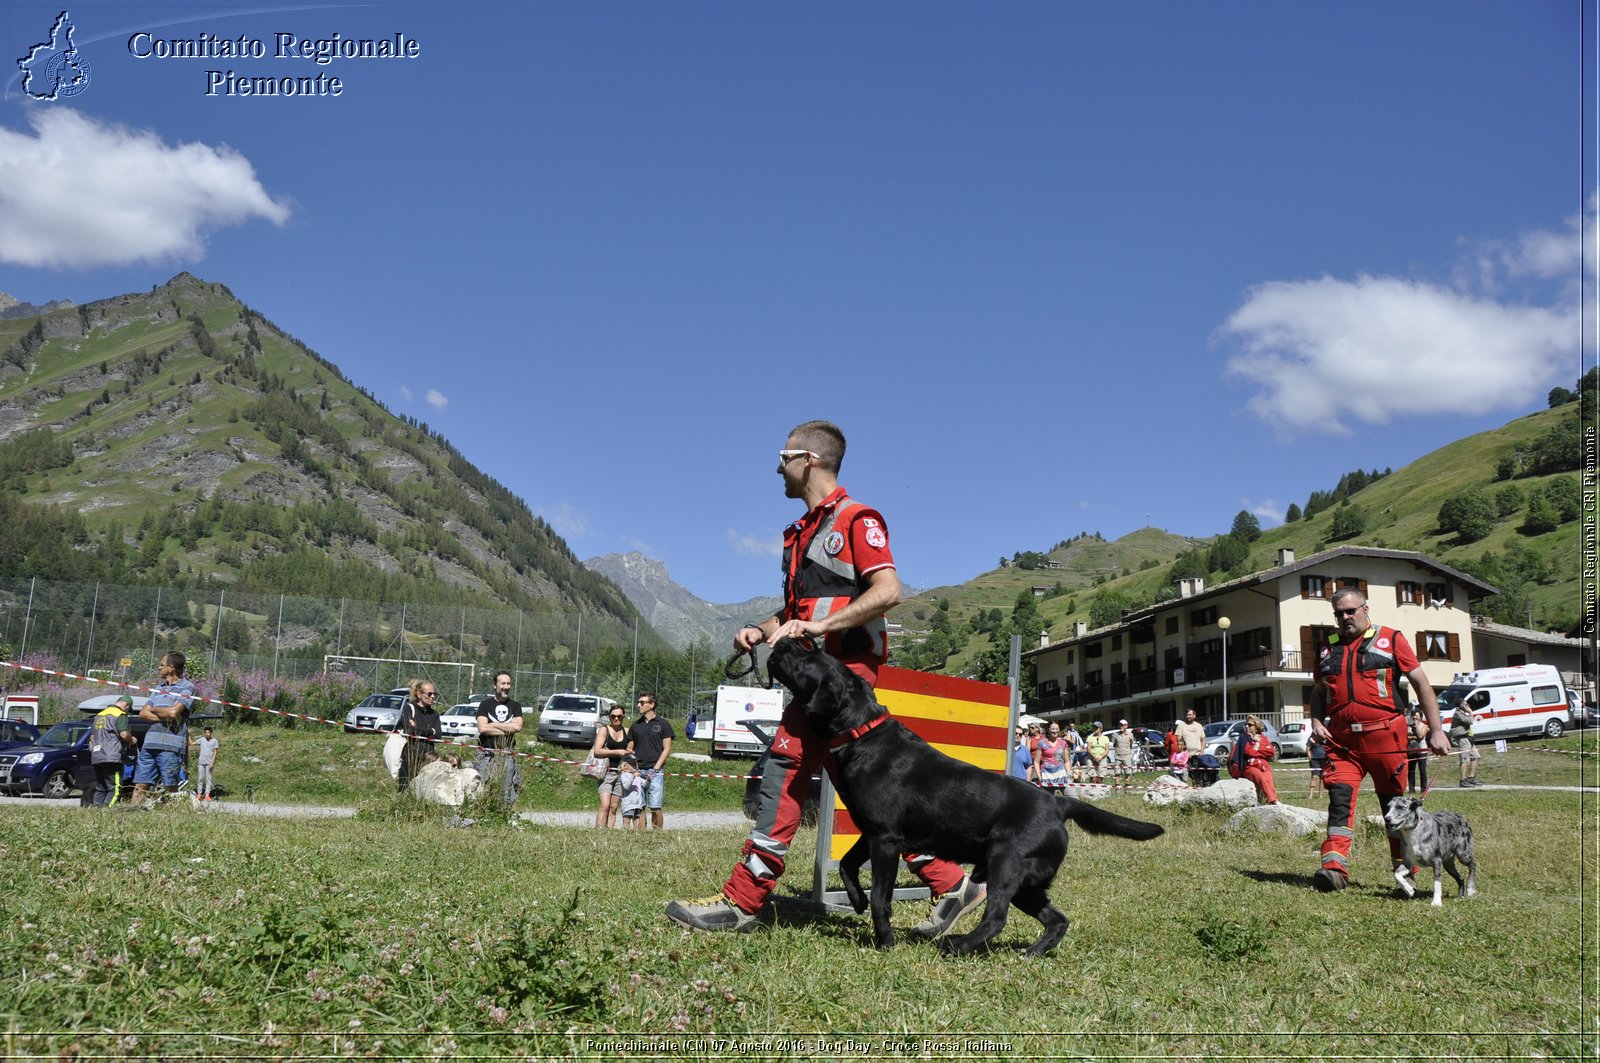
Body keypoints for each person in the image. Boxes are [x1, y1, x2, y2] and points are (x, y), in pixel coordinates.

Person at [666, 420, 981, 936]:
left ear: (807, 459)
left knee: (785, 767)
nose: (776, 468)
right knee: (864, 792)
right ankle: (952, 884)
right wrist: (760, 629)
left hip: (840, 682)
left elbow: (887, 591)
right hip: (816, 678)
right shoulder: (801, 532)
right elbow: (798, 610)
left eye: (782, 457)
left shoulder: (859, 519)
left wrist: (819, 626)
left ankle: (742, 902)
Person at [1308, 589, 1449, 892]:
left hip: (1386, 737)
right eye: (1339, 614)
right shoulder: (1325, 649)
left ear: (1365, 609)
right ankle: (1333, 868)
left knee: (1394, 807)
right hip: (1343, 742)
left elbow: (1421, 683)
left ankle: (1405, 872)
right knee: (1340, 801)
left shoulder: (1391, 639)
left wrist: (1436, 730)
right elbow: (1319, 692)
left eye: (1350, 611)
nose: (1345, 617)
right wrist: (1316, 720)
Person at [127, 652, 194, 809]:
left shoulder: (187, 687)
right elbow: (143, 713)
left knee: (171, 786)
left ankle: (172, 818)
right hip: (149, 744)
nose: (159, 667)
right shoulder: (158, 688)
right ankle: (132, 814)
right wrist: (165, 715)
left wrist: (156, 710)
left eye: (162, 665)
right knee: (140, 784)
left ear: (171, 668)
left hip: (170, 746)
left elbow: (173, 712)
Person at [474, 670, 524, 811]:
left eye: (508, 684)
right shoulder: (485, 705)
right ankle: (481, 811)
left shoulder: (515, 706)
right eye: (503, 683)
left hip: (507, 752)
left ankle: (503, 813)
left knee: (506, 787)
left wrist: (494, 724)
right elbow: (482, 728)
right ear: (495, 685)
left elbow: (518, 727)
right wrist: (508, 729)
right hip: (486, 753)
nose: (506, 687)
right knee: (483, 783)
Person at [627, 692, 674, 830]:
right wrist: (630, 753)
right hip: (637, 770)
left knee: (655, 806)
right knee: (640, 806)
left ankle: (657, 833)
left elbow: (667, 749)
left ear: (652, 705)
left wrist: (656, 769)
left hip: (655, 771)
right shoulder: (635, 725)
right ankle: (642, 834)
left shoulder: (663, 724)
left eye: (642, 703)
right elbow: (630, 746)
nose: (638, 705)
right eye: (638, 702)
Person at [394, 678, 444, 793]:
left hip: (429, 758)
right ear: (419, 694)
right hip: (410, 756)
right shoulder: (409, 708)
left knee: (425, 790)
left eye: (434, 694)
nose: (432, 697)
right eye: (429, 694)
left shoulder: (434, 715)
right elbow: (409, 731)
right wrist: (431, 730)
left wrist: (418, 729)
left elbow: (438, 736)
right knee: (405, 789)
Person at [87, 695, 135, 807]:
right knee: (115, 787)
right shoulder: (120, 715)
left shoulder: (99, 715)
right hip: (112, 757)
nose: (128, 712)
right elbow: (123, 734)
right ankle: (108, 811)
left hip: (97, 756)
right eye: (128, 709)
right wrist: (132, 739)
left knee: (101, 786)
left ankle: (96, 809)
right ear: (126, 705)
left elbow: (92, 738)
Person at [592, 705, 633, 828]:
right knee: (605, 805)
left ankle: (609, 832)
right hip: (606, 773)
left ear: (623, 717)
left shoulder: (627, 731)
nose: (616, 718)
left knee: (614, 807)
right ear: (609, 717)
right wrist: (617, 752)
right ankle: (599, 830)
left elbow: (631, 751)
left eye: (619, 716)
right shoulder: (604, 730)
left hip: (621, 773)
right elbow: (597, 751)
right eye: (613, 716)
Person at [1239, 715, 1278, 804]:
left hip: (1263, 765)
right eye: (1246, 724)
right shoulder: (1244, 738)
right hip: (1249, 767)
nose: (1246, 726)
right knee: (1261, 778)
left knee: (1269, 780)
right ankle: (1273, 800)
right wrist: (1259, 746)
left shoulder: (1262, 737)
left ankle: (1271, 800)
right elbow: (1248, 752)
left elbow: (1271, 751)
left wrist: (1257, 747)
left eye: (1249, 725)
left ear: (1256, 727)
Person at [1449, 703, 1481, 787]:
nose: (1468, 705)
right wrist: (1470, 712)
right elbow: (1470, 721)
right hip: (1462, 739)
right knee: (1464, 760)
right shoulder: (1458, 713)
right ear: (1461, 705)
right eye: (1465, 704)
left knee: (1476, 757)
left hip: (1469, 738)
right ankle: (1463, 780)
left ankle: (1471, 778)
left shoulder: (1463, 713)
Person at [1034, 722, 1069, 789]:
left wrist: (1067, 773)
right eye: (1053, 729)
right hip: (1046, 774)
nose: (1055, 731)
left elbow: (1067, 761)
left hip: (1061, 774)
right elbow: (1036, 762)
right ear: (1048, 730)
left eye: (1057, 729)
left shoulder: (1063, 743)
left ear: (1059, 730)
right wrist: (1039, 776)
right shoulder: (1041, 743)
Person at [617, 756, 647, 827]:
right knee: (627, 820)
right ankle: (625, 833)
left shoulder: (637, 777)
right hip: (628, 804)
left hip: (637, 804)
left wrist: (648, 779)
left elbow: (646, 785)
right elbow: (626, 787)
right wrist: (633, 776)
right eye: (632, 764)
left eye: (635, 764)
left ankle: (635, 834)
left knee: (637, 820)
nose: (635, 766)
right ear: (625, 766)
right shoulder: (624, 775)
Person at [1406, 711, 1430, 793]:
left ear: (1420, 717)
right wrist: (1414, 736)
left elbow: (1420, 736)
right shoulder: (1408, 726)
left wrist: (1415, 726)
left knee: (1422, 769)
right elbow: (1405, 737)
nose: (1414, 717)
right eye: (1413, 716)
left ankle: (1423, 789)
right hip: (1411, 750)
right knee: (1411, 770)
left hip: (1422, 750)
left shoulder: (1425, 726)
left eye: (1416, 716)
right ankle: (1411, 789)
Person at [195, 726, 219, 802]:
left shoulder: (214, 741)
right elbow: (191, 743)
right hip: (201, 762)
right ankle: (199, 794)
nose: (207, 734)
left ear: (211, 733)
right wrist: (188, 734)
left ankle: (207, 795)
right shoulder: (202, 739)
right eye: (205, 732)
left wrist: (212, 762)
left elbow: (215, 752)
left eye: (208, 732)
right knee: (200, 778)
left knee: (208, 779)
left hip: (209, 762)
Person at [1111, 719, 1137, 787]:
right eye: (1120, 725)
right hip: (1118, 756)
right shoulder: (1115, 734)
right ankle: (1117, 788)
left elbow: (1131, 744)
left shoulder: (1130, 735)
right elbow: (1114, 744)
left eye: (1123, 725)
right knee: (1117, 773)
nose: (1121, 726)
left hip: (1127, 756)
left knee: (1128, 772)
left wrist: (1127, 751)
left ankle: (1127, 787)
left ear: (1126, 726)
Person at [1308, 731, 1327, 797]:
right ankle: (1310, 795)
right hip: (1314, 760)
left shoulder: (1325, 738)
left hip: (1324, 759)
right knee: (1314, 777)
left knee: (1322, 778)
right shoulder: (1311, 738)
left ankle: (1321, 795)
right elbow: (1308, 749)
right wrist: (1311, 759)